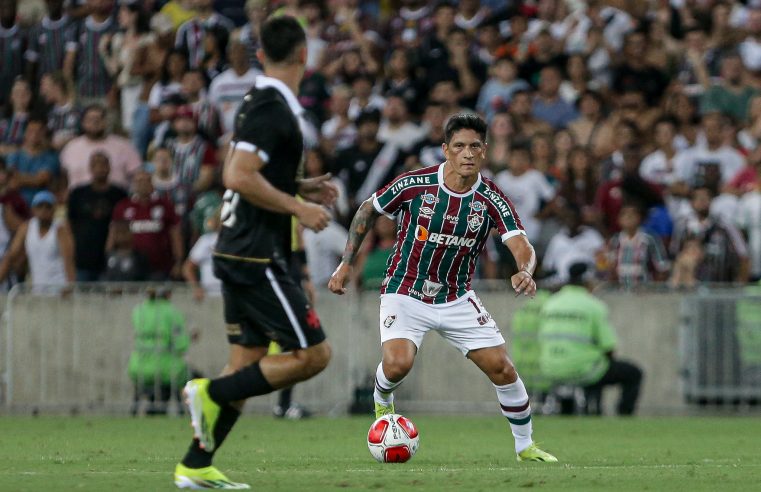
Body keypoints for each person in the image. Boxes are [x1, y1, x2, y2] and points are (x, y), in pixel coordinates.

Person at [328, 113, 557, 463]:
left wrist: (525, 270)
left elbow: (521, 244)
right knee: (398, 365)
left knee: (503, 369)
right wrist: (346, 263)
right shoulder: (415, 183)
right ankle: (382, 398)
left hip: (456, 296)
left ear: (485, 151)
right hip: (405, 289)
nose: (467, 153)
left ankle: (525, 446)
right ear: (445, 149)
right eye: (460, 146)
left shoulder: (492, 199)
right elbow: (366, 210)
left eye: (475, 146)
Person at [174, 17, 337, 489]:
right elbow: (238, 176)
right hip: (257, 253)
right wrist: (298, 207)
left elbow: (239, 167)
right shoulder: (274, 107)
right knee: (313, 355)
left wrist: (296, 184)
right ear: (305, 53)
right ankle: (208, 392)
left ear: (261, 55)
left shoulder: (256, 99)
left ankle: (196, 464)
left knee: (247, 364)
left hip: (239, 249)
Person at [539, 263, 643, 416]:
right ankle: (623, 416)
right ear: (588, 281)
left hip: (549, 367)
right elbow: (609, 347)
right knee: (633, 373)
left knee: (596, 366)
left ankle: (571, 410)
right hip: (584, 370)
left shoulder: (550, 303)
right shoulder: (593, 305)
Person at [129, 287, 191, 416]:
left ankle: (143, 410)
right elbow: (181, 344)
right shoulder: (172, 312)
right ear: (168, 293)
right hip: (166, 368)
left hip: (138, 367)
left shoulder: (138, 310)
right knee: (189, 375)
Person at [67, 151, 127, 281]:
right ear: (90, 168)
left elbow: (123, 226)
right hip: (82, 258)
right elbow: (69, 224)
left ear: (110, 167)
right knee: (83, 300)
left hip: (110, 258)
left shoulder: (120, 194)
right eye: (96, 165)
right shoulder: (77, 193)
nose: (100, 168)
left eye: (103, 164)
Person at [0, 190, 75, 293]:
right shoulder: (26, 228)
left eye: (48, 207)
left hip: (59, 288)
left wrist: (69, 287)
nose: (44, 210)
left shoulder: (60, 229)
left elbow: (69, 261)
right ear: (33, 209)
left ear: (54, 209)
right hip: (38, 289)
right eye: (40, 206)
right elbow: (11, 256)